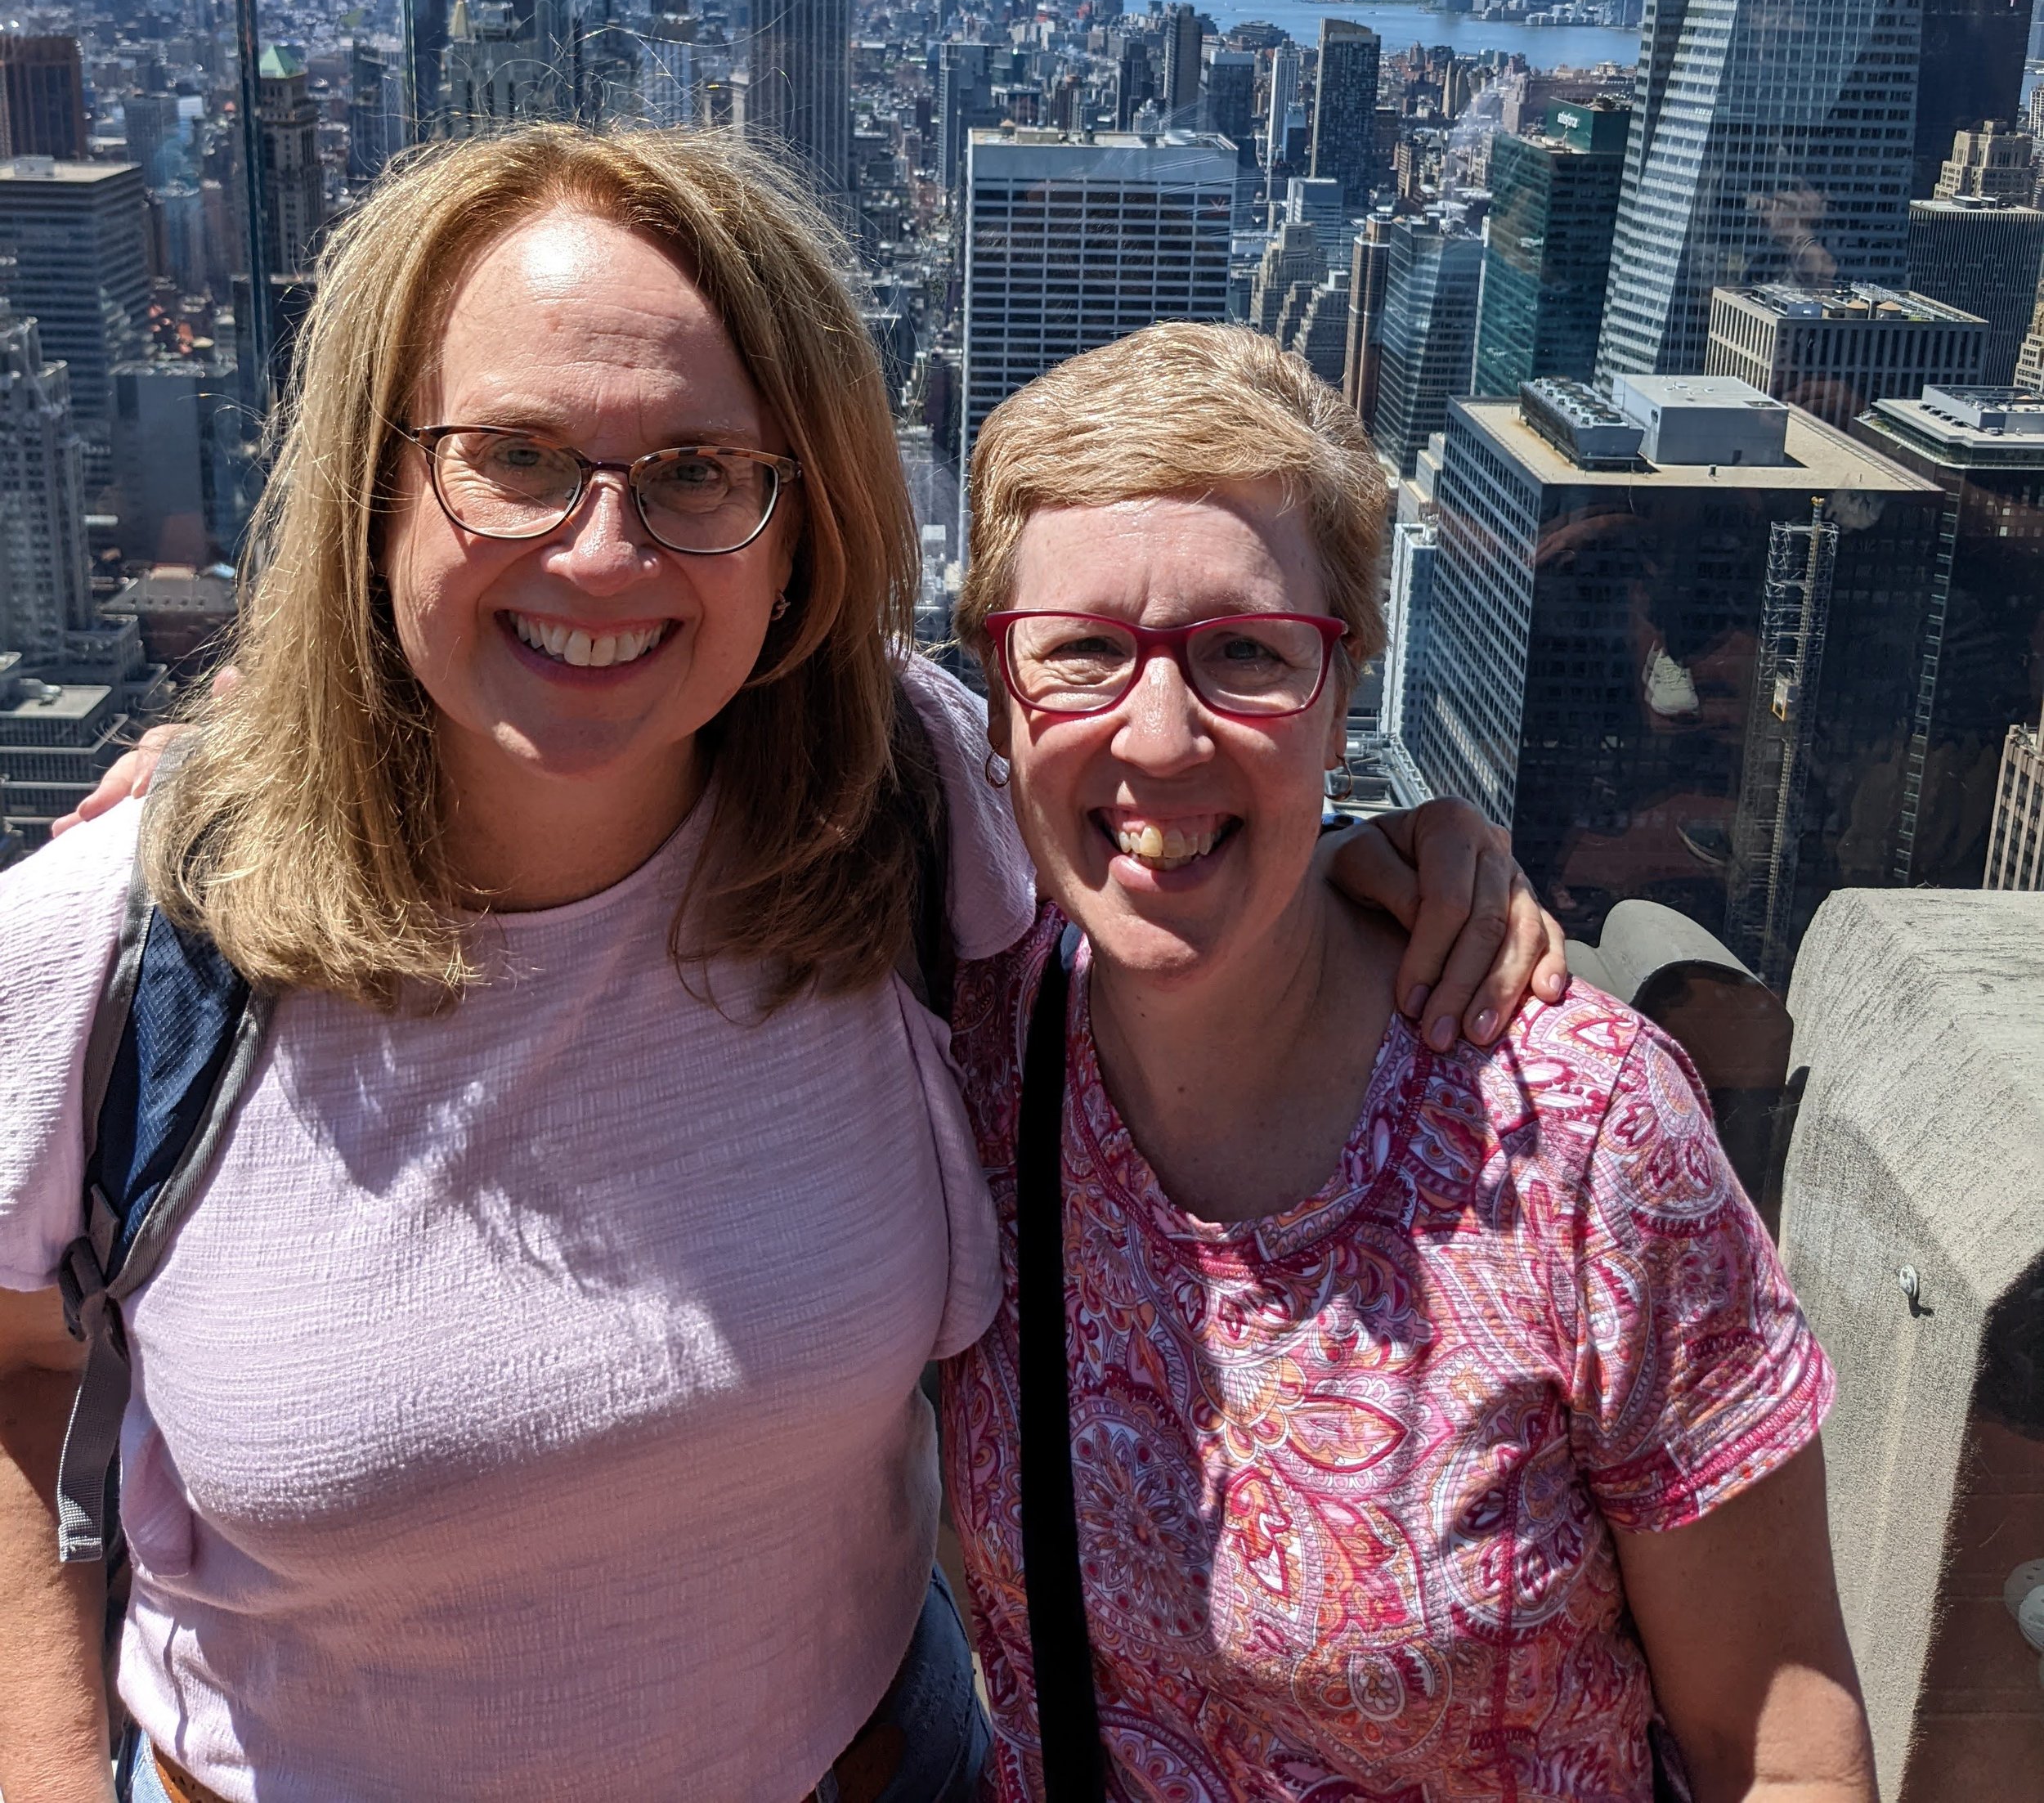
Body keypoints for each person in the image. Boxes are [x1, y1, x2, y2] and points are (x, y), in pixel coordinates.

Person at [0, 125, 1559, 1803]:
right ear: (377, 483)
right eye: (514, 455)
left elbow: (1156, 814)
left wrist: (1366, 864)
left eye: (694, 470)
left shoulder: (898, 806)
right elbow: (20, 1358)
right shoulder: (119, 950)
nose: (603, 552)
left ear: (795, 528)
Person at [943, 322, 1879, 1803]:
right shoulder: (963, 1063)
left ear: (1345, 688)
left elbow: (1774, 1725)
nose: (1163, 730)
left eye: (1247, 651)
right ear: (996, 697)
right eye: (1082, 652)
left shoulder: (1576, 1131)